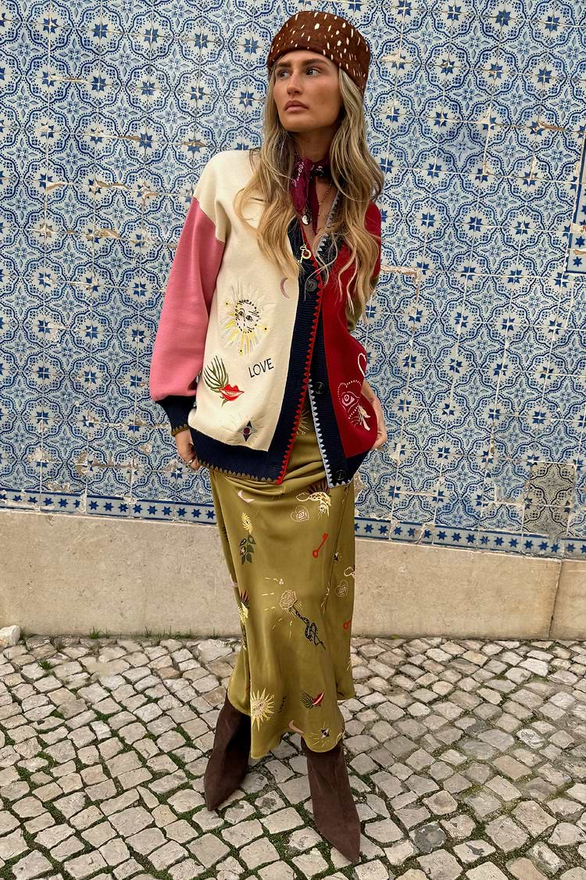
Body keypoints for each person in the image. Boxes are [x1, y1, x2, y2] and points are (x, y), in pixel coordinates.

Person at [148, 9, 386, 865]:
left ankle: (238, 725)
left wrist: (357, 394)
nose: (293, 83)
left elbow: (341, 323)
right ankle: (325, 757)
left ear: (345, 91)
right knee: (276, 605)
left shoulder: (359, 203)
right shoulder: (229, 179)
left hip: (326, 442)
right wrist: (179, 405)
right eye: (282, 69)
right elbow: (189, 294)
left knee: (308, 602)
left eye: (313, 68)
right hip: (243, 436)